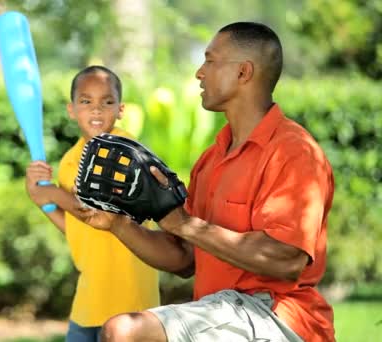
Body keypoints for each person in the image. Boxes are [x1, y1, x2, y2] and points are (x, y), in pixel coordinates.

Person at [70, 22, 336, 341]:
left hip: (277, 314)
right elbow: (183, 258)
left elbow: (286, 260)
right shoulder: (211, 160)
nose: (199, 72)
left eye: (210, 60)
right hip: (220, 310)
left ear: (243, 72)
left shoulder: (293, 151)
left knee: (124, 331)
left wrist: (184, 223)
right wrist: (119, 225)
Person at [24, 65, 160, 342]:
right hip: (89, 299)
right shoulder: (69, 162)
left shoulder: (127, 150)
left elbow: (100, 212)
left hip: (130, 302)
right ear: (71, 109)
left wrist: (53, 194)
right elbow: (79, 228)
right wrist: (42, 201)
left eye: (106, 102)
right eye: (86, 102)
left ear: (120, 109)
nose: (96, 110)